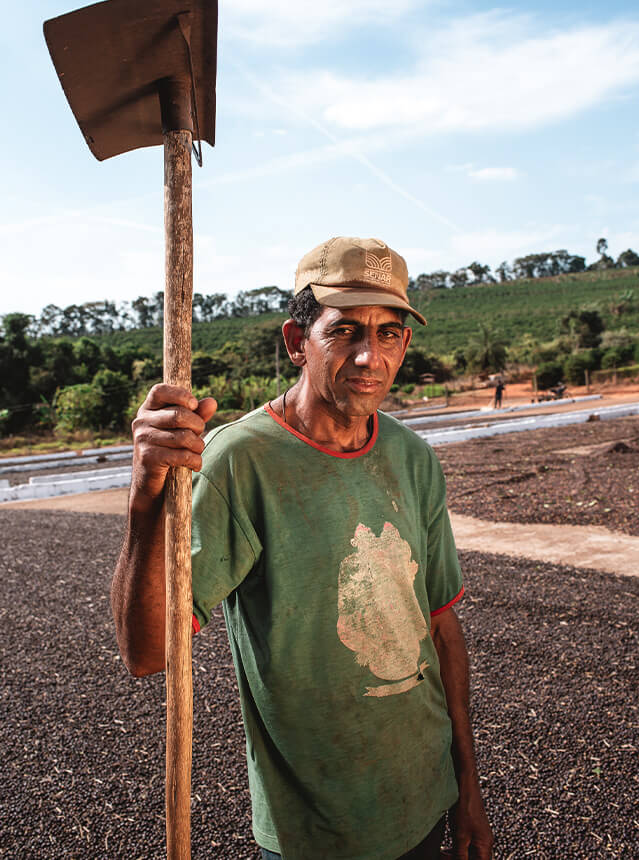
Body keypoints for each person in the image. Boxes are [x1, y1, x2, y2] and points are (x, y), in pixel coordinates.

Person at [112, 237, 493, 860]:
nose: (371, 356)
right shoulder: (238, 463)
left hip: (426, 798)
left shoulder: (412, 458)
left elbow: (441, 626)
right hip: (313, 833)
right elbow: (148, 652)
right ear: (297, 341)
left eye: (390, 334)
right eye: (344, 331)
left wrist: (468, 787)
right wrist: (144, 504)